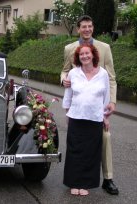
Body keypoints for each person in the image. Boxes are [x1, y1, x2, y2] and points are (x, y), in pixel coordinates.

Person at [61, 15, 119, 195]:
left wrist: (112, 101)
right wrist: (64, 81)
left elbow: (110, 77)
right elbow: (64, 71)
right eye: (83, 27)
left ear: (93, 28)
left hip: (98, 104)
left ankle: (108, 178)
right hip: (79, 103)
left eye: (89, 26)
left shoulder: (104, 47)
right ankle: (77, 180)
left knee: (104, 140)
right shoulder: (70, 48)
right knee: (78, 145)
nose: (86, 29)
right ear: (78, 29)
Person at [62, 44, 110, 196]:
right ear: (78, 57)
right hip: (76, 117)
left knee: (90, 152)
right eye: (81, 54)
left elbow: (106, 97)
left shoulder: (103, 74)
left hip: (95, 118)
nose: (84, 56)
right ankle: (73, 183)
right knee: (74, 151)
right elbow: (68, 96)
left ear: (93, 54)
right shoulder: (73, 73)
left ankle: (85, 184)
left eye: (87, 53)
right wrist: (68, 113)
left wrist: (105, 117)